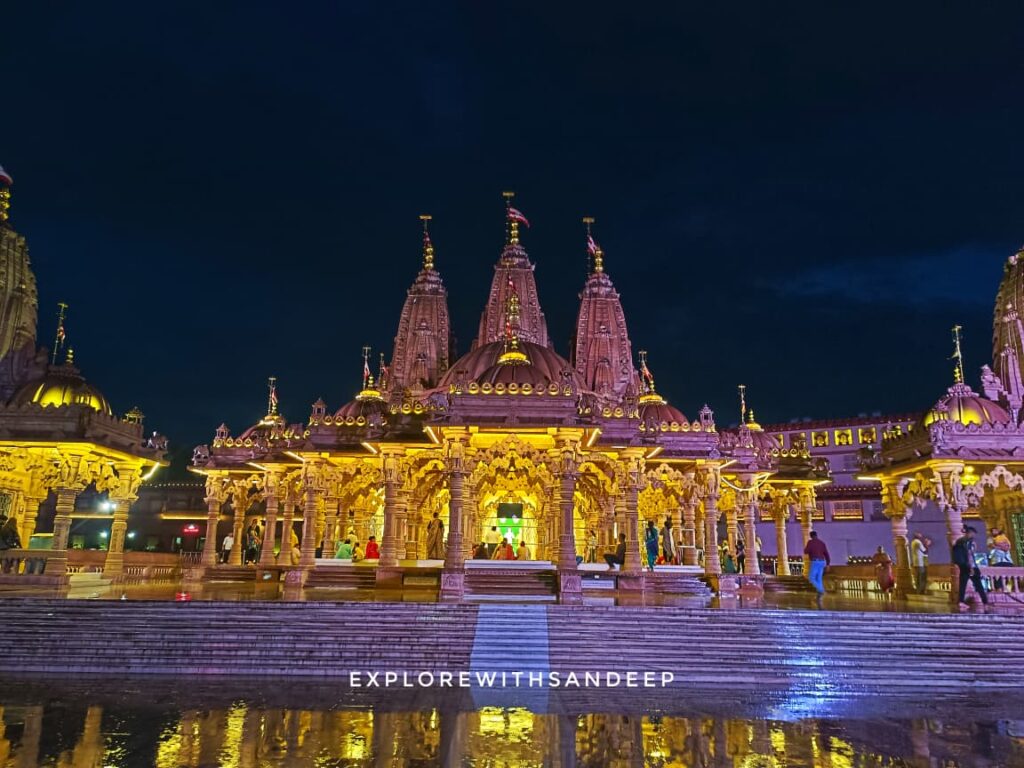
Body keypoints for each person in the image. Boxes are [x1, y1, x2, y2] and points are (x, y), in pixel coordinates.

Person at [953, 526, 988, 606]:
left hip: (964, 566)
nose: (973, 536)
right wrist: (971, 567)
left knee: (963, 585)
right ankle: (985, 602)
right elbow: (968, 555)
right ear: (969, 533)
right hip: (968, 566)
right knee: (978, 585)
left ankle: (961, 602)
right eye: (972, 534)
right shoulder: (965, 542)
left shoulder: (961, 542)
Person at [804, 531, 830, 596]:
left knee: (811, 577)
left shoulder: (810, 542)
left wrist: (807, 547)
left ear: (811, 536)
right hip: (822, 562)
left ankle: (821, 590)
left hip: (815, 561)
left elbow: (806, 551)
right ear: (816, 535)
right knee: (819, 578)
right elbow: (826, 554)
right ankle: (820, 592)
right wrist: (828, 564)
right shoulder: (822, 543)